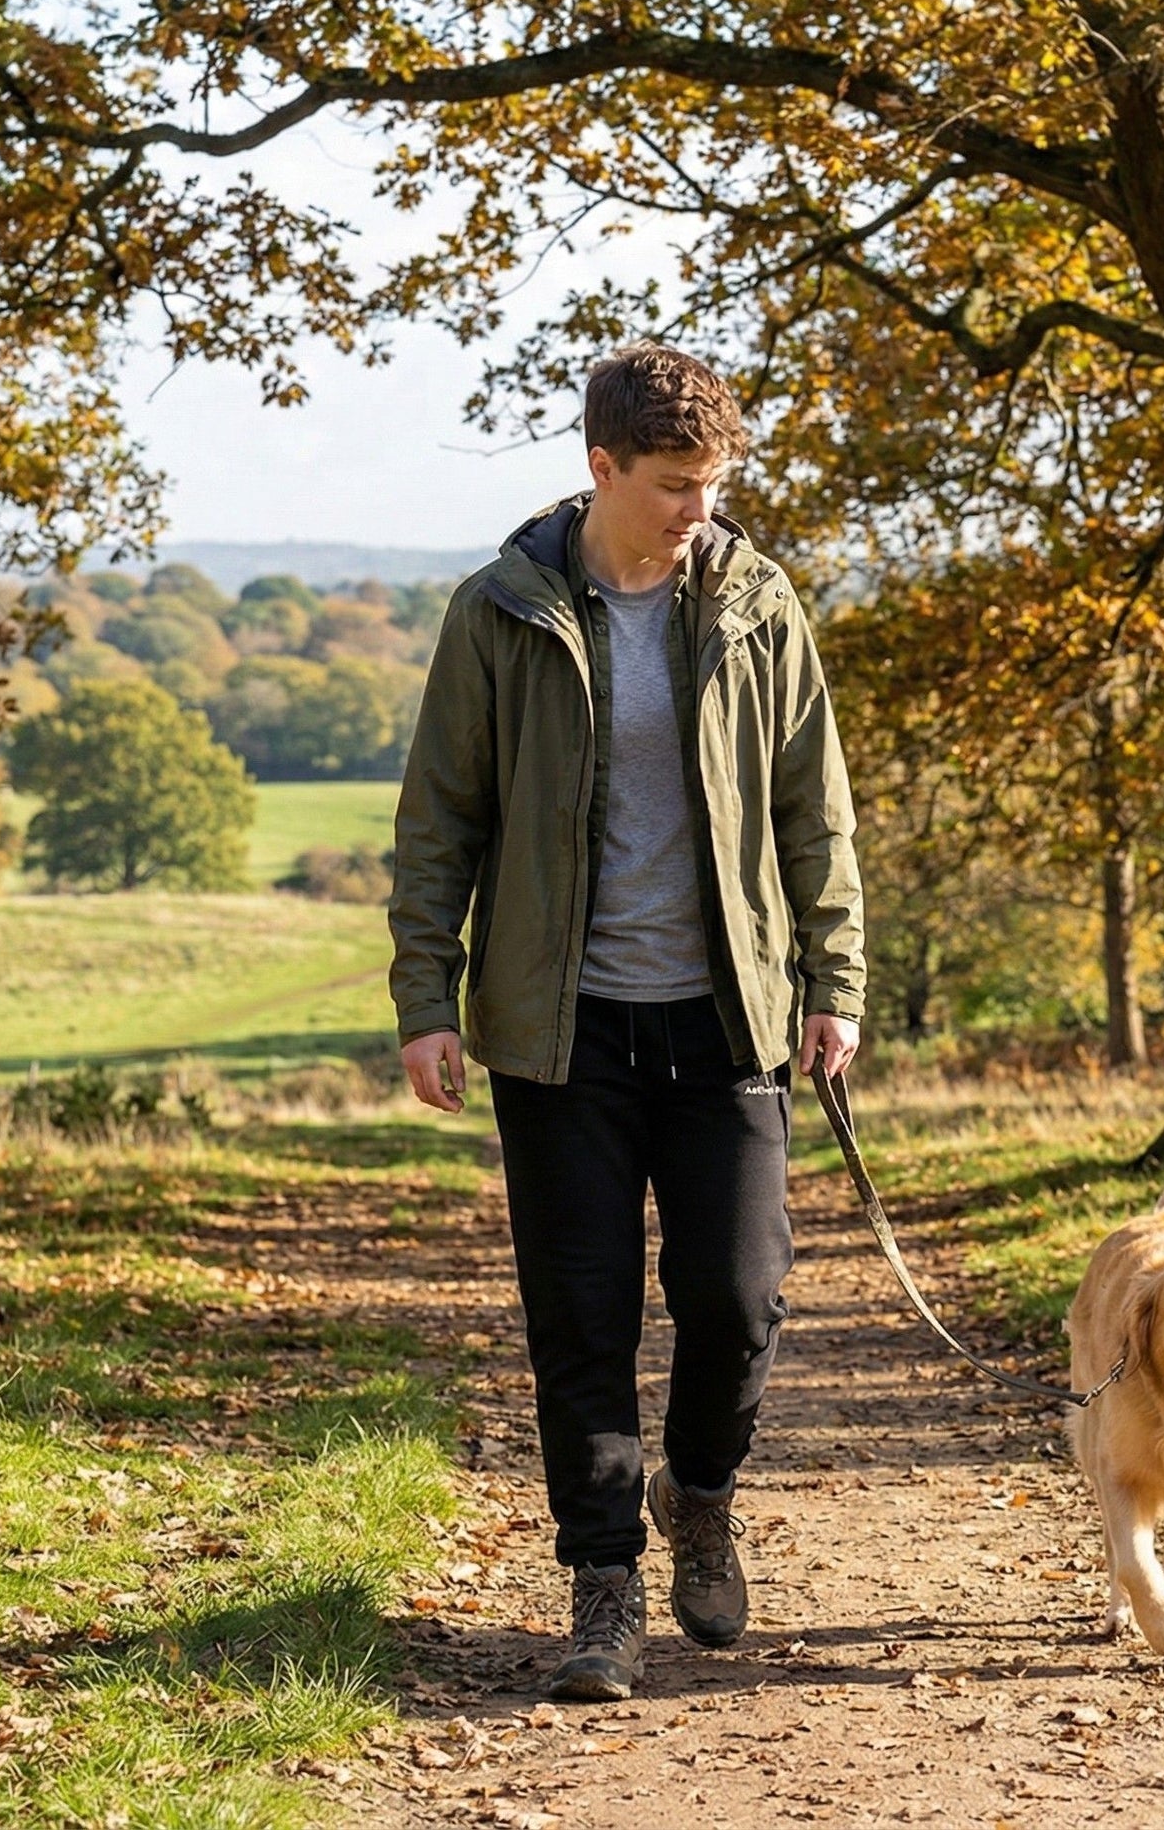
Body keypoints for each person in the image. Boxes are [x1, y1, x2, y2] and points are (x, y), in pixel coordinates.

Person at [388, 342, 866, 1701]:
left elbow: (811, 809)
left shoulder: (758, 606)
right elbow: (442, 821)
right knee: (581, 1320)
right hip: (562, 1032)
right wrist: (426, 995)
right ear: (599, 467)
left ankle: (698, 1490)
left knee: (737, 1297)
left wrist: (832, 981)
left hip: (725, 1021)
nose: (696, 510)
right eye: (672, 485)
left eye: (711, 484)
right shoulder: (501, 611)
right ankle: (603, 1586)